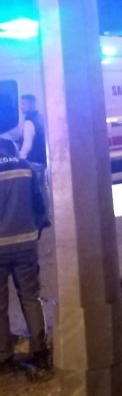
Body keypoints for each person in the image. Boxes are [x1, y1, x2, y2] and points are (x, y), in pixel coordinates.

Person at [0, 137, 50, 373]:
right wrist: (34, 232)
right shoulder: (26, 168)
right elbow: (40, 207)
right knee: (31, 297)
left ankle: (4, 356)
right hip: (26, 245)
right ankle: (40, 352)